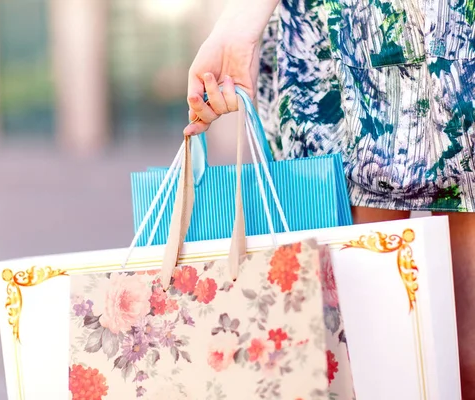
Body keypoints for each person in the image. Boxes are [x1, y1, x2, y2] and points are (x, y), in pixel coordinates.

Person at [184, 0, 475, 396]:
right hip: (348, 34)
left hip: (370, 30)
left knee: (395, 350)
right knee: (356, 345)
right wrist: (240, 21)